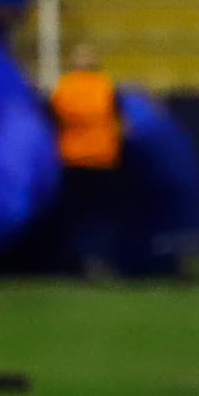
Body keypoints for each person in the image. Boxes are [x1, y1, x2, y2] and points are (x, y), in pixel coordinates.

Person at [50, 42, 123, 276]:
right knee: (101, 215)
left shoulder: (63, 87)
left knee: (77, 215)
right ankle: (99, 261)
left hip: (73, 159)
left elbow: (53, 119)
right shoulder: (106, 86)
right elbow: (120, 120)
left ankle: (78, 262)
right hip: (102, 159)